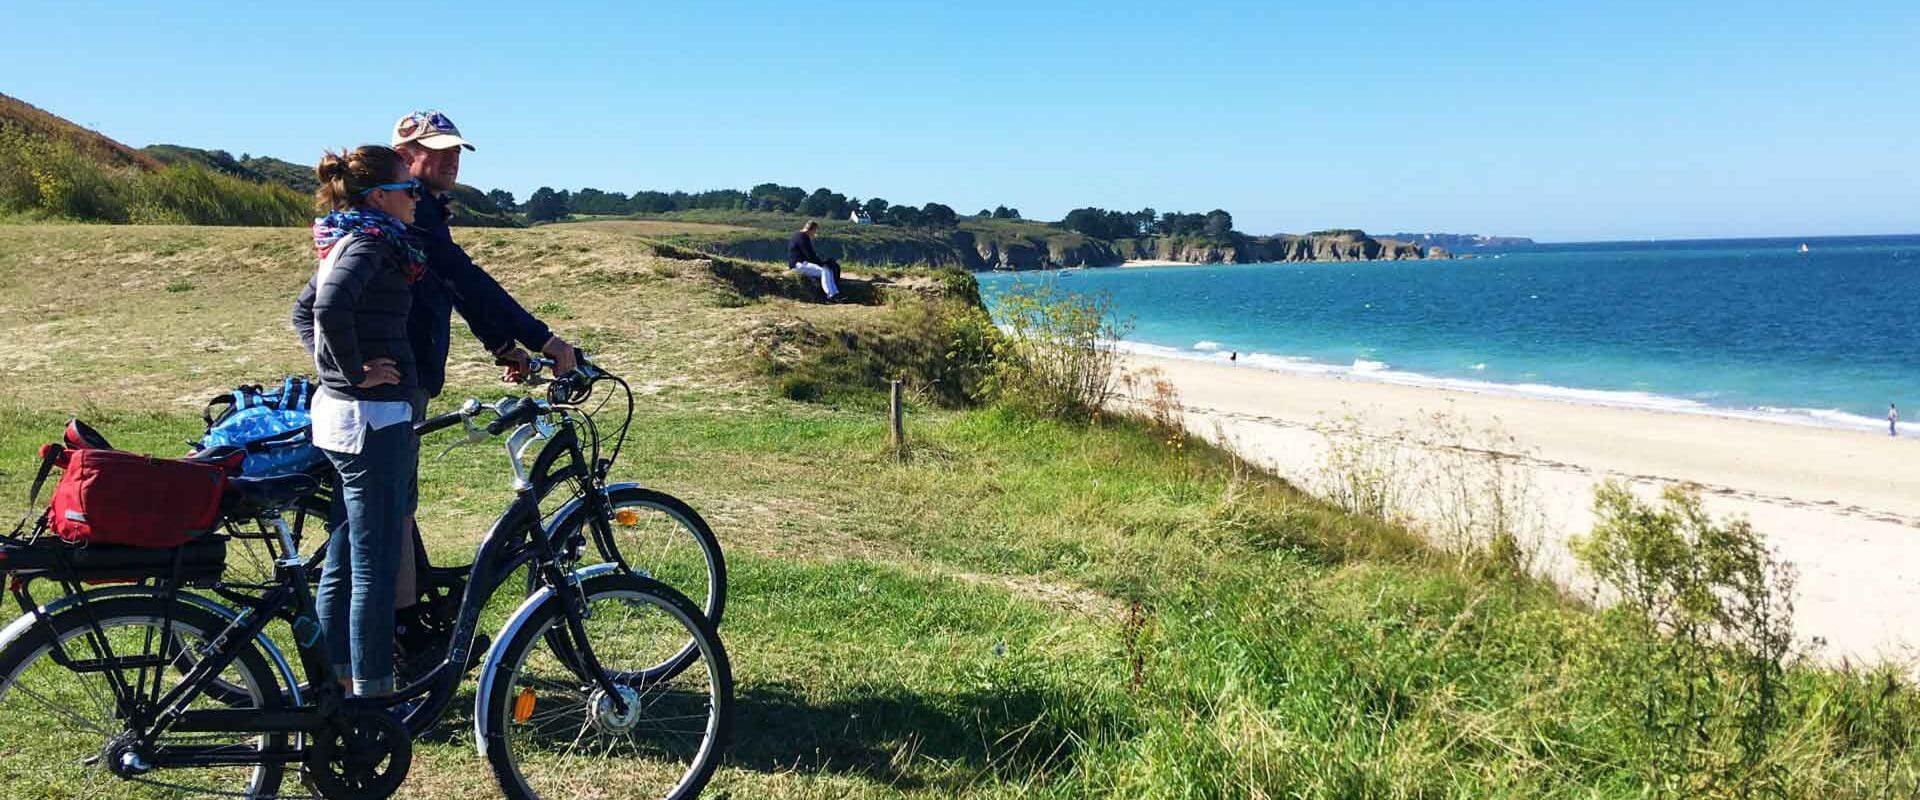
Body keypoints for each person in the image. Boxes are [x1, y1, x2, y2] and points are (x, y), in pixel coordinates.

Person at [298, 145, 422, 698]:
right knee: (371, 567)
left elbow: (305, 310)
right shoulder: (369, 242)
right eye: (409, 190)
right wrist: (350, 371)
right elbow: (325, 310)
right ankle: (371, 699)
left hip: (344, 417)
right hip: (370, 419)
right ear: (380, 196)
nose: (416, 200)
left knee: (346, 554)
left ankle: (336, 684)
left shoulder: (345, 236)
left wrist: (332, 373)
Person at [787, 220, 844, 300]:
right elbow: (809, 255)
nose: (815, 233)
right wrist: (822, 263)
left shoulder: (800, 235)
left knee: (827, 269)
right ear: (812, 229)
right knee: (824, 271)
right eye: (815, 230)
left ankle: (835, 293)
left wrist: (822, 262)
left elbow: (810, 255)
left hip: (803, 263)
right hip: (798, 264)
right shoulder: (802, 237)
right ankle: (831, 295)